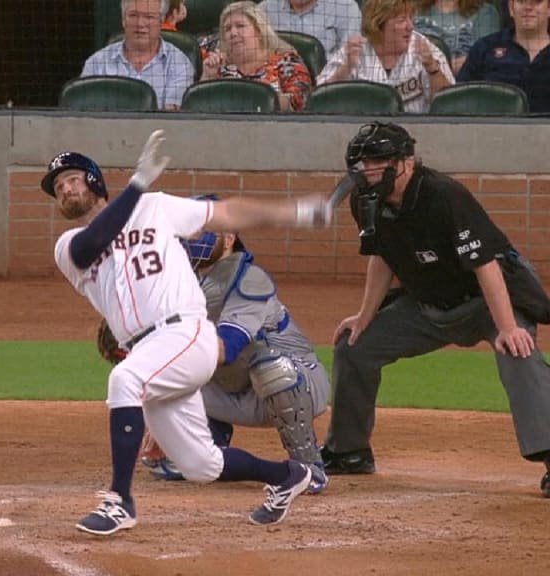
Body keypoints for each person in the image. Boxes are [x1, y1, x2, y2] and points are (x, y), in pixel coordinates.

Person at [43, 129, 333, 535]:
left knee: (125, 379)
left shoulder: (154, 207)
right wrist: (138, 182)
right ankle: (289, 474)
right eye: (58, 187)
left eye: (72, 179)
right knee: (202, 465)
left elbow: (227, 215)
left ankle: (119, 503)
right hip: (150, 349)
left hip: (185, 333)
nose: (65, 189)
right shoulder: (68, 245)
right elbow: (91, 245)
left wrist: (296, 213)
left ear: (94, 182)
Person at [321, 121, 550, 499]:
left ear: (406, 162)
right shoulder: (366, 202)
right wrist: (364, 317)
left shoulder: (444, 195)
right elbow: (382, 256)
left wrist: (507, 327)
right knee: (354, 346)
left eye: (378, 160)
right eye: (362, 162)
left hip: (484, 302)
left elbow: (486, 265)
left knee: (518, 352)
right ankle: (348, 452)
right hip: (426, 305)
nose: (368, 169)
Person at [137, 220, 330, 495]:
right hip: (234, 387)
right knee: (168, 373)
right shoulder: (181, 286)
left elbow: (228, 346)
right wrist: (158, 416)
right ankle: (209, 451)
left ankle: (308, 467)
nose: (193, 238)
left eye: (201, 232)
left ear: (228, 239)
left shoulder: (249, 278)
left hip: (298, 383)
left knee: (270, 368)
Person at [317, 0, 455, 113]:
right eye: (401, 20)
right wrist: (345, 70)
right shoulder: (354, 50)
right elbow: (318, 99)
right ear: (378, 25)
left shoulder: (424, 48)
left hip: (416, 133)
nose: (410, 26)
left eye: (411, 18)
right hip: (363, 134)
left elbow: (449, 103)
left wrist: (432, 68)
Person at [81, 0, 194, 110]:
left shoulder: (179, 63)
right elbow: (84, 116)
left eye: (149, 17)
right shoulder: (96, 63)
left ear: (161, 22)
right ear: (123, 20)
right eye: (133, 15)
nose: (140, 24)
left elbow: (171, 119)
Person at [201, 1, 313, 111]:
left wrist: (257, 94)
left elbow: (299, 102)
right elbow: (198, 107)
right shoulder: (216, 64)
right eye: (227, 29)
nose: (233, 33)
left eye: (240, 26)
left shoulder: (287, 61)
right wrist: (208, 78)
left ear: (259, 31)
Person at [457, 0, 550, 113]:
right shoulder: (484, 48)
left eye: (536, 2)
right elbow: (459, 98)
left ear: (549, 8)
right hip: (493, 128)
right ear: (511, 8)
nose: (528, 7)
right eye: (521, 1)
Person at [412, 0, 500, 72]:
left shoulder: (485, 13)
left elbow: (485, 59)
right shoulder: (414, 11)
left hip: (464, 88)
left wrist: (434, 66)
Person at [260, 0, 363, 58]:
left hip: (329, 84)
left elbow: (351, 59)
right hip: (280, 82)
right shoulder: (265, 9)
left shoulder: (345, 7)